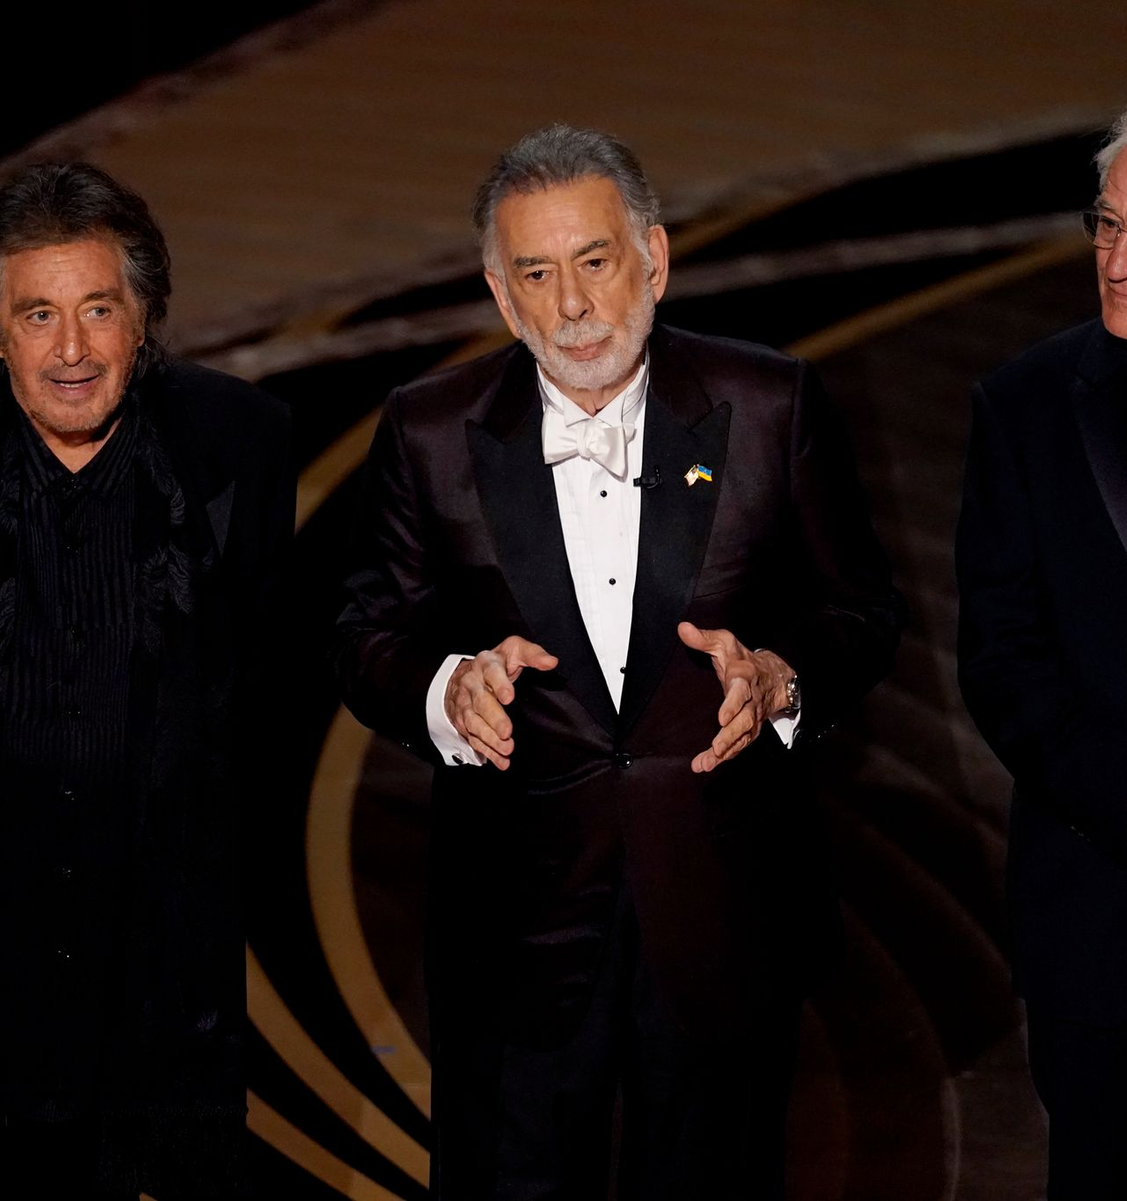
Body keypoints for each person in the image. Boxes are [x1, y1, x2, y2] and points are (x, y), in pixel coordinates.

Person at [334, 124, 901, 1200]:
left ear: (655, 257)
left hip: (723, 919)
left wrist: (782, 676)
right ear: (501, 297)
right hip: (514, 934)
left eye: (595, 262)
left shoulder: (771, 404)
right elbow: (364, 636)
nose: (574, 305)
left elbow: (861, 608)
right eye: (536, 275)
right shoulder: (427, 429)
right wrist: (444, 690)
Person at [0, 163, 294, 1199]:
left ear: (144, 318)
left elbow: (270, 680)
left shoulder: (242, 447)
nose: (70, 350)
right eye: (38, 314)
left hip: (175, 997)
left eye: (98, 311)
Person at [956, 96, 1127, 1201]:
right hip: (1104, 917)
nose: (1118, 260)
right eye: (1106, 224)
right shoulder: (1026, 406)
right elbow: (1003, 658)